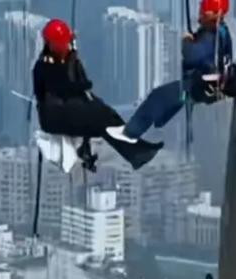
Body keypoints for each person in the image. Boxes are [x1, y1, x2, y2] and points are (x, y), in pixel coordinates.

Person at [32, 18, 160, 172]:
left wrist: (74, 64)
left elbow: (80, 85)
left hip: (68, 110)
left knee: (107, 115)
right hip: (54, 117)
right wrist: (82, 84)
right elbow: (65, 89)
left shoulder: (67, 61)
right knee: (100, 118)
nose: (67, 45)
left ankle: (137, 148)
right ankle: (137, 152)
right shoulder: (45, 66)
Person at [121, 0, 236, 141]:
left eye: (203, 10)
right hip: (201, 87)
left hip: (198, 88)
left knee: (158, 96)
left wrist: (187, 41)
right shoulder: (220, 32)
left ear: (212, 13)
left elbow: (191, 56)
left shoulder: (211, 35)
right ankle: (158, 121)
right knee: (173, 99)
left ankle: (130, 133)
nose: (200, 13)